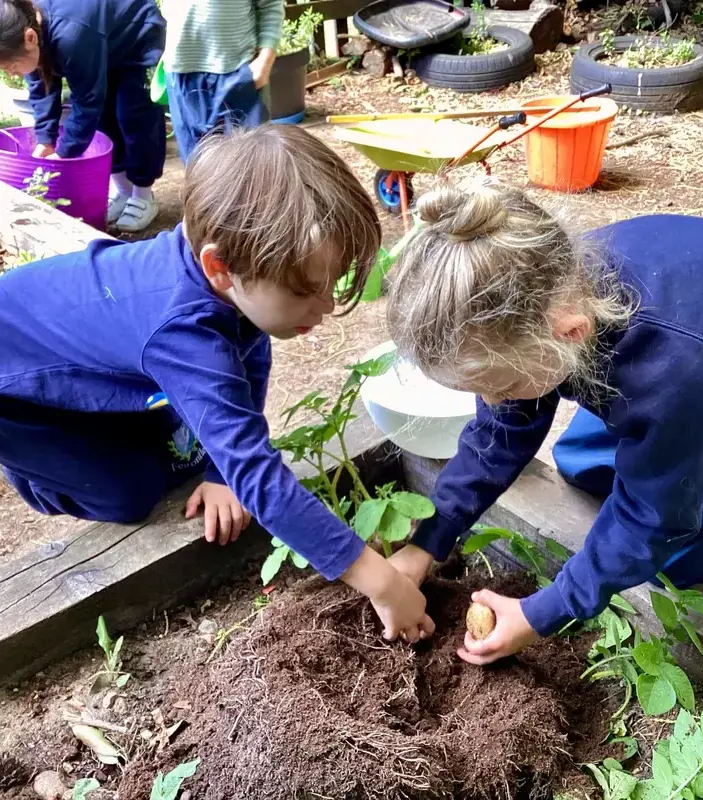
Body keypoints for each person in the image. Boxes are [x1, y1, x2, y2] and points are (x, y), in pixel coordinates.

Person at [0, 125, 435, 644]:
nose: (323, 308)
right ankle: (35, 472)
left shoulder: (233, 281)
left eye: (331, 284)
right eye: (304, 291)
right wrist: (379, 581)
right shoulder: (185, 336)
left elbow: (249, 361)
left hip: (86, 349)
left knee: (188, 450)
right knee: (129, 493)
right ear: (220, 267)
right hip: (15, 390)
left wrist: (219, 470)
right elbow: (258, 474)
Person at [385, 181, 703, 664]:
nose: (492, 402)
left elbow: (657, 520)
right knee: (581, 466)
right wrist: (428, 541)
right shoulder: (538, 288)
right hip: (701, 361)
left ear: (569, 335)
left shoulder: (670, 367)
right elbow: (502, 431)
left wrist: (545, 611)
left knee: (679, 556)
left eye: (502, 386)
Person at [0, 0, 166, 233]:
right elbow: (42, 89)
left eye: (12, 66)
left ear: (30, 38)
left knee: (134, 118)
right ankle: (123, 191)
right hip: (100, 42)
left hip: (137, 38)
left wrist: (64, 153)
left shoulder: (70, 35)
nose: (12, 74)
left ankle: (143, 195)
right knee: (103, 121)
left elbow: (87, 100)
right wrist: (45, 141)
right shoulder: (26, 32)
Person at [161, 0, 283, 163]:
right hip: (181, 73)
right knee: (197, 166)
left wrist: (265, 62)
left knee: (251, 164)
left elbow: (270, 4)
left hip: (238, 72)